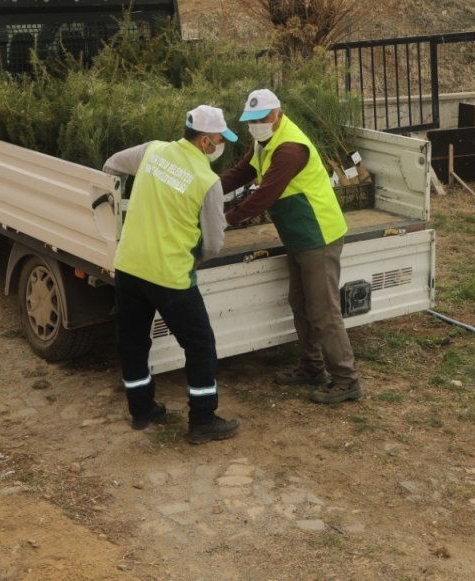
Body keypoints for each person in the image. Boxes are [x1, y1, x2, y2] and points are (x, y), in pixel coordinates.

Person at [103, 105, 241, 444]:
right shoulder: (208, 182)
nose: (222, 145)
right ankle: (203, 419)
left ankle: (141, 410)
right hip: (170, 276)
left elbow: (111, 166)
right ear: (207, 141)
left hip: (130, 266)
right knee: (199, 344)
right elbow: (213, 241)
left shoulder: (152, 151)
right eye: (221, 139)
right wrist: (197, 259)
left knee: (132, 341)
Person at [219, 88, 361, 404]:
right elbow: (242, 173)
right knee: (300, 304)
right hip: (299, 235)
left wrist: (224, 219)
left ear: (278, 115)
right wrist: (207, 190)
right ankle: (312, 368)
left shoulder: (290, 149)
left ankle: (346, 380)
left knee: (324, 312)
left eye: (262, 118)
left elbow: (263, 196)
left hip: (318, 235)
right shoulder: (265, 142)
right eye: (251, 119)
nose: (256, 124)